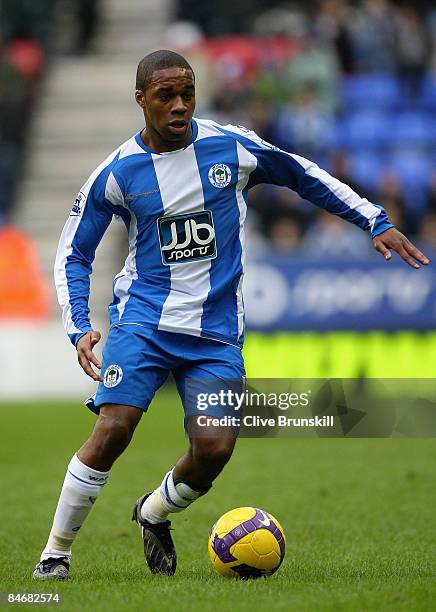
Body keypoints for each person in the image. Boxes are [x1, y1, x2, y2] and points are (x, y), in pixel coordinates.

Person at [32, 49, 429, 580]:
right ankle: (55, 554)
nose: (179, 105)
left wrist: (373, 219)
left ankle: (153, 512)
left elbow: (303, 175)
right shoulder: (117, 172)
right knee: (114, 428)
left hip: (216, 331)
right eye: (166, 96)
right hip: (143, 320)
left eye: (187, 94)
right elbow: (74, 253)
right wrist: (79, 325)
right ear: (140, 100)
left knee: (215, 449)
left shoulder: (231, 146)